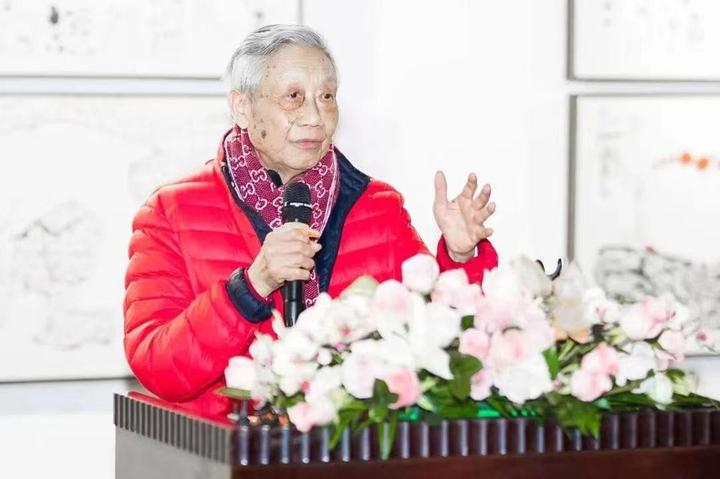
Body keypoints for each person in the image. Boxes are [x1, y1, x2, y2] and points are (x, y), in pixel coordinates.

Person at [124, 24, 498, 416]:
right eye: (293, 97)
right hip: (230, 458)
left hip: (349, 455)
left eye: (326, 96)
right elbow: (157, 367)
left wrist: (460, 258)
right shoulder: (171, 211)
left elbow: (443, 343)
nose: (315, 116)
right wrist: (252, 286)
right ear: (242, 107)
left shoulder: (377, 206)